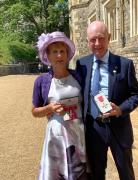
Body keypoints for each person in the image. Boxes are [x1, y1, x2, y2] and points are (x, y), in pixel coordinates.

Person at [76, 21, 138, 180]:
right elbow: (77, 93)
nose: (97, 44)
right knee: (96, 173)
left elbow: (136, 95)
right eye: (93, 40)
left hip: (119, 127)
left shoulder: (125, 64)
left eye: (101, 38)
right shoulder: (81, 64)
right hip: (93, 127)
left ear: (109, 38)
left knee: (126, 172)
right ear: (87, 41)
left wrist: (120, 109)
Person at [32, 31, 87, 180]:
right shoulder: (41, 81)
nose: (59, 56)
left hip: (79, 132)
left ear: (67, 54)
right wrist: (49, 108)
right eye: (54, 52)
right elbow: (34, 111)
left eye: (62, 51)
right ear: (48, 56)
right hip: (57, 136)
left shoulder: (78, 76)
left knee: (79, 173)